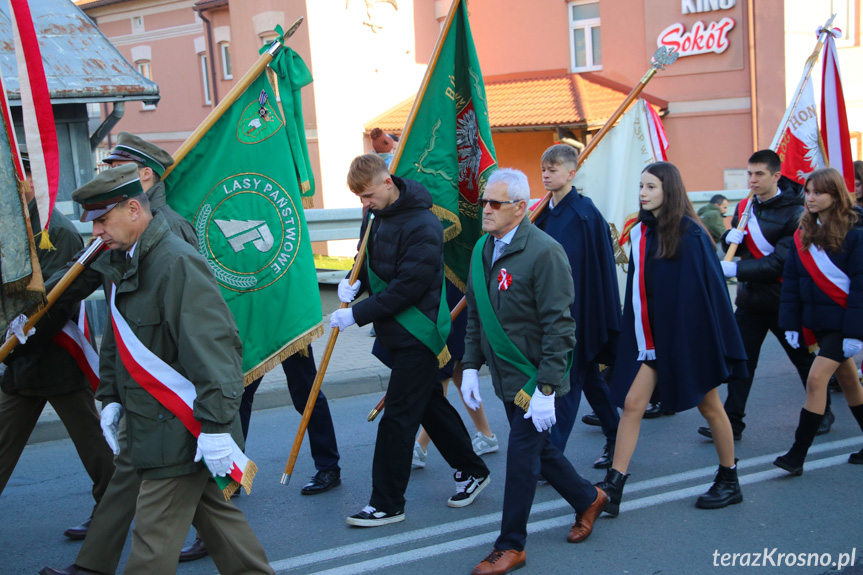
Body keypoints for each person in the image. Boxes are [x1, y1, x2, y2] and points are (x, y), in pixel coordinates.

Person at [46, 165, 273, 575]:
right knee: (221, 526)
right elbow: (118, 339)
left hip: (179, 428)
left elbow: (215, 351)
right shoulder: (125, 259)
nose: (96, 231)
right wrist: (111, 398)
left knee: (151, 546)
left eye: (101, 219)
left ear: (134, 209)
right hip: (153, 424)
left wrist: (219, 428)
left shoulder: (175, 263)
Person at [40, 139, 209, 574]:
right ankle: (91, 567)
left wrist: (213, 414)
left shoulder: (166, 230)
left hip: (169, 387)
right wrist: (113, 388)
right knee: (142, 475)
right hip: (140, 377)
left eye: (118, 166)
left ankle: (92, 568)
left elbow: (198, 327)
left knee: (167, 482)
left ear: (145, 175)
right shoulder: (114, 226)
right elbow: (108, 305)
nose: (106, 171)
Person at [461, 168, 607, 575]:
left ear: (521, 208)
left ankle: (511, 546)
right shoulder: (482, 250)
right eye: (483, 202)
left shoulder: (545, 252)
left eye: (495, 203)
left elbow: (561, 326)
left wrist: (546, 389)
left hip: (535, 379)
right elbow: (477, 315)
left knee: (522, 457)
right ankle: (588, 498)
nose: (485, 210)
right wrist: (470, 367)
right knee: (540, 452)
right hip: (505, 377)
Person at [334, 154, 489, 527]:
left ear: (388, 183)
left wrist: (356, 313)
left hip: (419, 333)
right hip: (395, 332)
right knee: (428, 406)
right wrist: (353, 284)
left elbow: (408, 287)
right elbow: (366, 259)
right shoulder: (374, 214)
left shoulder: (424, 223)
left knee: (398, 420)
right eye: (360, 199)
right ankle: (473, 470)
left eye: (368, 195)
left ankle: (387, 503)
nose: (365, 204)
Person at [597, 162, 747, 516]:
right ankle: (614, 486)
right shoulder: (642, 232)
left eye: (650, 187)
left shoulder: (691, 234)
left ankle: (730, 479)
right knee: (633, 404)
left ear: (669, 190)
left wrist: (684, 342)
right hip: (650, 340)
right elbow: (638, 292)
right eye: (641, 186)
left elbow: (705, 297)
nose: (643, 193)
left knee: (710, 407)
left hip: (686, 340)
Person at [0, 159, 114, 536]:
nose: (15, 185)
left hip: (57, 357)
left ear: (35, 180)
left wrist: (10, 346)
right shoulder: (11, 225)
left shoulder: (55, 231)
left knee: (96, 449)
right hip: (20, 364)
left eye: (21, 176)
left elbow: (52, 303)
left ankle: (112, 512)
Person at [701, 149, 834, 442]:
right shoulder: (744, 207)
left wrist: (733, 269)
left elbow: (780, 262)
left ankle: (823, 412)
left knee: (802, 360)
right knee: (741, 362)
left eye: (759, 174)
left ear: (776, 176)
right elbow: (741, 245)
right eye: (749, 173)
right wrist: (727, 237)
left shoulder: (796, 212)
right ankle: (732, 422)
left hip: (784, 300)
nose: (752, 180)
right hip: (750, 301)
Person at [533, 144, 621, 470]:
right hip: (555, 315)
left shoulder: (584, 215)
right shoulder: (545, 212)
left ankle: (550, 460)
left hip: (578, 315)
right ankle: (616, 436)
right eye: (543, 168)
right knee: (592, 383)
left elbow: (588, 273)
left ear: (571, 173)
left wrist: (575, 319)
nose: (546, 174)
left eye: (553, 169)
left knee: (567, 385)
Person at [774, 167, 863, 474]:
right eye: (808, 192)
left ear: (835, 195)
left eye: (818, 192)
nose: (810, 198)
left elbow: (860, 285)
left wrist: (855, 332)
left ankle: (796, 456)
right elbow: (792, 282)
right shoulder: (804, 233)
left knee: (816, 380)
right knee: (850, 381)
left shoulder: (856, 232)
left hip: (844, 324)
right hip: (820, 322)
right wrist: (791, 324)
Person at [240, 345, 342, 493]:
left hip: (288, 328)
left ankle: (328, 467)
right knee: (239, 395)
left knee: (307, 396)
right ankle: (232, 473)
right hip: (255, 329)